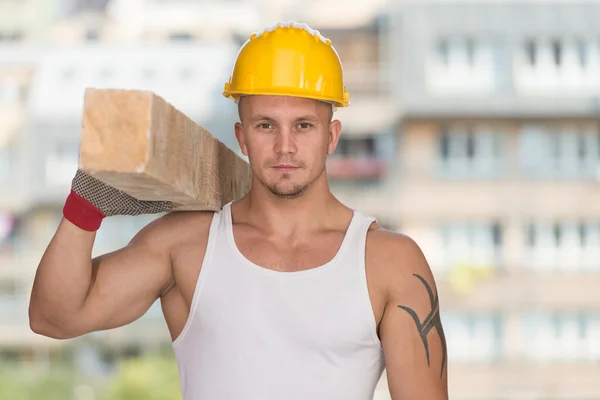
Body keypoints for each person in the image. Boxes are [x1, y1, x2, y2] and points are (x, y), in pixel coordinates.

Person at [28, 21, 448, 400]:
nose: (285, 146)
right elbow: (53, 317)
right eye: (266, 125)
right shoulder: (186, 244)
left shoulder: (388, 262)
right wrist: (86, 205)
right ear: (242, 136)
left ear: (331, 135)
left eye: (303, 125)